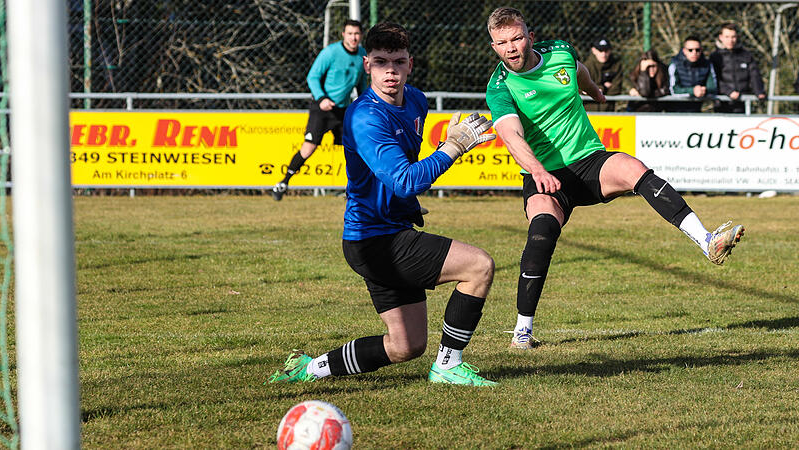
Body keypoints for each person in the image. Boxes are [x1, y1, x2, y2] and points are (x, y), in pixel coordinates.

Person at [484, 7, 745, 349]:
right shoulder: (500, 87)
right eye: (502, 43)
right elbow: (512, 136)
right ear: (494, 47)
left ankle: (707, 241)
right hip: (545, 174)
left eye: (517, 38)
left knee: (636, 170)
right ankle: (522, 330)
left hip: (589, 161)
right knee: (542, 231)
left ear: (530, 37)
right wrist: (537, 171)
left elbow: (578, 71)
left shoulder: (559, 51)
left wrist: (594, 91)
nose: (512, 48)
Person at [269, 22, 499, 386]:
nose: (389, 71)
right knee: (479, 267)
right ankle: (449, 365)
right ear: (366, 66)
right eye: (380, 62)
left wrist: (406, 204)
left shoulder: (417, 102)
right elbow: (407, 179)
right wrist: (454, 147)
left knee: (405, 346)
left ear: (411, 64)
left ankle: (309, 368)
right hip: (375, 240)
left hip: (386, 232)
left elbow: (396, 176)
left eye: (397, 61)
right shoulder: (364, 116)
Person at [272, 20, 368, 201]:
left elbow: (362, 84)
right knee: (308, 148)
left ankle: (359, 190)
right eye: (350, 33)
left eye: (356, 34)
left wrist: (365, 105)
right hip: (322, 108)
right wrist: (322, 98)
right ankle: (283, 182)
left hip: (343, 110)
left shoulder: (362, 55)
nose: (353, 37)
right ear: (343, 34)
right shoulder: (331, 52)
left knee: (356, 148)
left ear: (361, 35)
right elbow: (313, 77)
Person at [709, 22, 766, 114]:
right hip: (722, 103)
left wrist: (759, 91)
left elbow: (754, 74)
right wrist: (729, 92)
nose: (730, 40)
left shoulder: (746, 55)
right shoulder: (715, 56)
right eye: (727, 37)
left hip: (743, 102)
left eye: (733, 37)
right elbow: (714, 78)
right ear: (721, 37)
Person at [668, 35, 718, 113]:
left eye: (697, 50)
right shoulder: (675, 64)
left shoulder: (707, 65)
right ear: (684, 51)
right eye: (690, 50)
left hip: (697, 110)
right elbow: (673, 90)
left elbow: (713, 87)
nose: (694, 53)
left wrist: (704, 90)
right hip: (676, 110)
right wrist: (692, 91)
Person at [582, 37, 623, 112]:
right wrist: (604, 87)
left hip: (608, 111)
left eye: (606, 51)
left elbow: (616, 89)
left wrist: (594, 90)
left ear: (610, 50)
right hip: (589, 112)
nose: (603, 54)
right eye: (600, 50)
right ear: (593, 50)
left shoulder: (616, 65)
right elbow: (583, 89)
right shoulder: (586, 66)